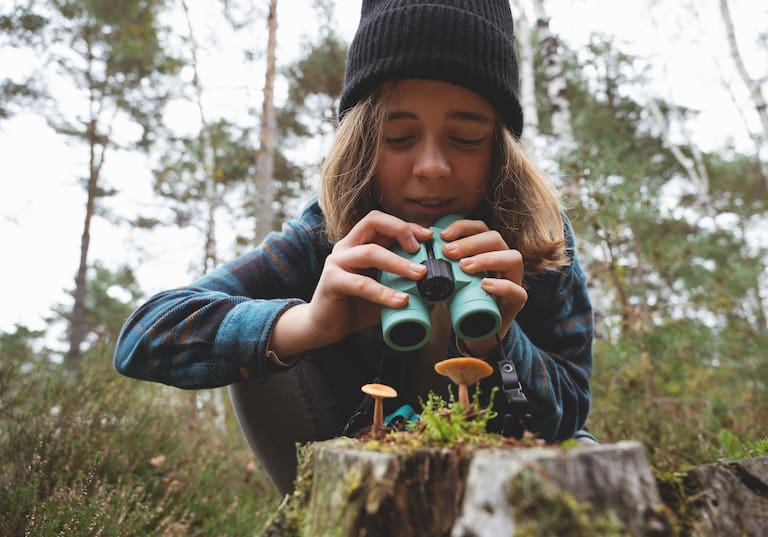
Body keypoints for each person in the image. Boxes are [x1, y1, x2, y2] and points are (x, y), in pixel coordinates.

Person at [114, 0, 595, 497]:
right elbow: (144, 336)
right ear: (362, 142)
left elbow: (571, 408)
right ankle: (319, 517)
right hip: (351, 484)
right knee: (260, 340)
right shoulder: (325, 234)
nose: (432, 166)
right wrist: (308, 325)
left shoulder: (537, 236)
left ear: (500, 149)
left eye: (466, 138)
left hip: (511, 482)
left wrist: (496, 344)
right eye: (399, 136)